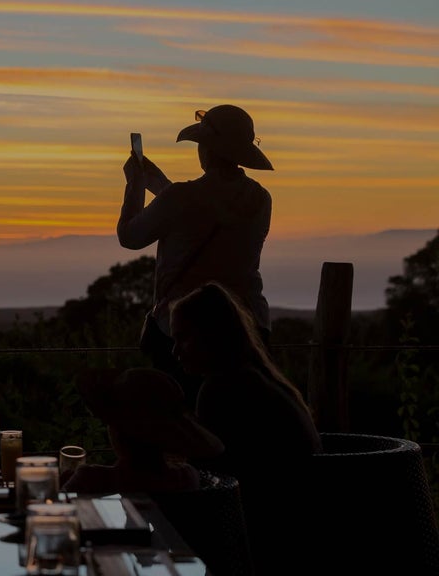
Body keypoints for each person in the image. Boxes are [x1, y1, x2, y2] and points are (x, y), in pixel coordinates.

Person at [116, 104, 274, 406]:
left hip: (187, 335)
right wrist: (160, 185)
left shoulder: (181, 198)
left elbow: (130, 236)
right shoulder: (260, 199)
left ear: (208, 149)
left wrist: (135, 185)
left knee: (187, 423)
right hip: (248, 328)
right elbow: (201, 211)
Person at [169, 281, 321, 574]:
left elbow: (208, 484)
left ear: (211, 335)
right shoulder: (259, 380)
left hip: (267, 536)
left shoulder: (222, 389)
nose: (176, 351)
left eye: (183, 338)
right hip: (301, 525)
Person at [62, 367, 223, 494]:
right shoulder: (187, 477)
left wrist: (65, 482)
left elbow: (57, 510)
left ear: (118, 430)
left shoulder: (92, 480)